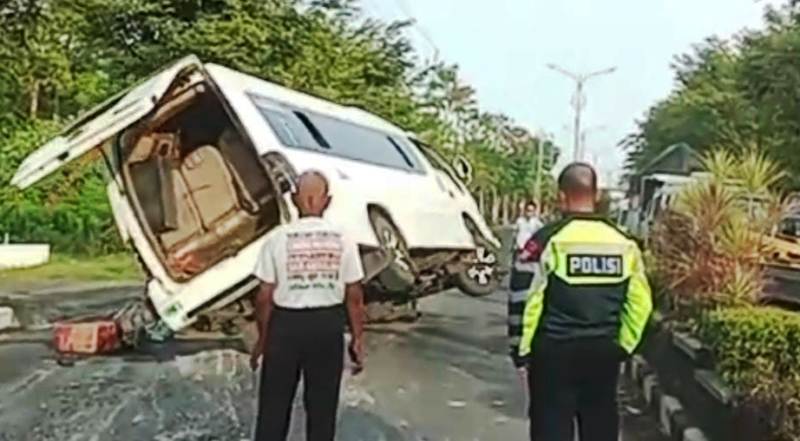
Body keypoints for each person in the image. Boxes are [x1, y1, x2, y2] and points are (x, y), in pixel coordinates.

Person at [509, 163, 653, 441]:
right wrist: (622, 345)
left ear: (561, 196)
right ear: (596, 195)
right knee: (600, 423)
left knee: (551, 426)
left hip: (553, 354)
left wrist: (521, 352)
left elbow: (522, 298)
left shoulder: (545, 241)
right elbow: (641, 303)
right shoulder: (624, 243)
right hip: (603, 351)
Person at [250, 170, 366, 441]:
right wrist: (358, 338)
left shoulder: (277, 239)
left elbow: (264, 296)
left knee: (273, 409)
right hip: (327, 327)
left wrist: (263, 339)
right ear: (327, 201)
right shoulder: (344, 239)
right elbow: (354, 295)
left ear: (293, 200)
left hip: (285, 327)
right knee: (322, 410)